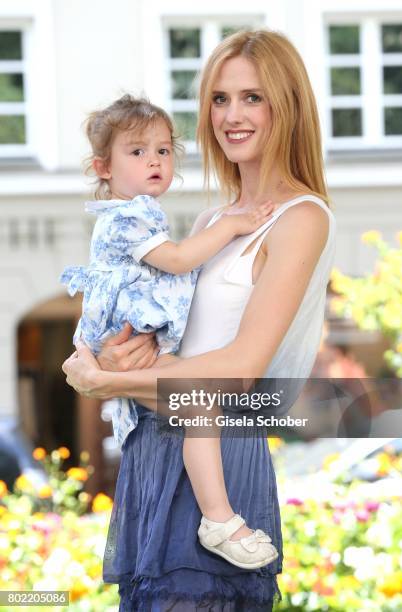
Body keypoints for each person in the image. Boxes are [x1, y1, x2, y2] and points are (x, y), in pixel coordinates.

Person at [62, 29, 336, 612]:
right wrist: (114, 355)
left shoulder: (301, 217)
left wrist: (109, 382)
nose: (231, 115)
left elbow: (239, 371)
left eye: (252, 97)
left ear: (286, 105)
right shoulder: (214, 217)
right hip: (158, 444)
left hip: (221, 449)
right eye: (219, 98)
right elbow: (167, 334)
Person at [60, 93, 278, 569]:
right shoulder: (127, 217)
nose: (154, 161)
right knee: (202, 404)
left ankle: (216, 517)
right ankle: (218, 518)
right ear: (103, 167)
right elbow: (178, 260)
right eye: (137, 152)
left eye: (162, 150)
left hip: (128, 341)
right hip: (125, 340)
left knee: (200, 406)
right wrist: (234, 226)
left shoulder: (138, 212)